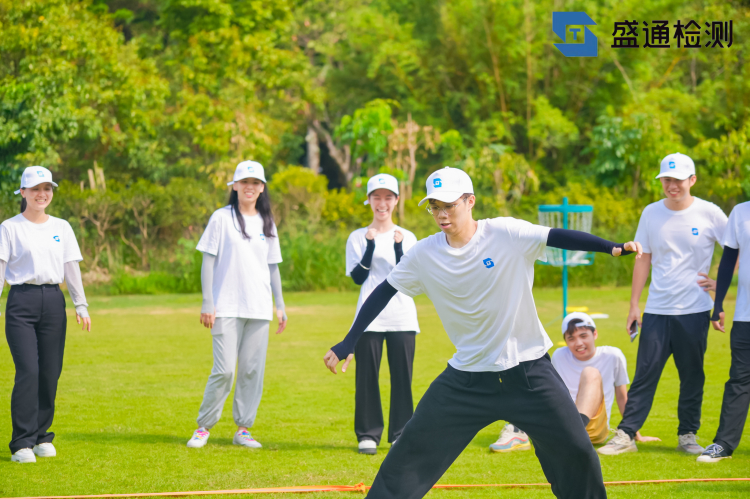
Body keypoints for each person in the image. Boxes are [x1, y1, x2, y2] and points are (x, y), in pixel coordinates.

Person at [324, 166, 642, 499]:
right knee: (407, 454)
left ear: (470, 201)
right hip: (467, 379)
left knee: (576, 451)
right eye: (434, 206)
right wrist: (349, 341)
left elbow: (556, 236)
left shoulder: (505, 233)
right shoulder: (424, 254)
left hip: (529, 373)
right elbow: (384, 290)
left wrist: (611, 247)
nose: (442, 214)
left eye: (449, 205)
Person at [599, 153, 728, 456]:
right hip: (657, 310)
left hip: (695, 310)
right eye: (667, 180)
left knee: (692, 375)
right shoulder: (651, 213)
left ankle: (688, 435)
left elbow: (737, 248)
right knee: (645, 373)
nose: (672, 186)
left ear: (692, 180)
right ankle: (626, 435)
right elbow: (643, 258)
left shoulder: (710, 213)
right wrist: (634, 304)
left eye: (678, 180)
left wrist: (720, 282)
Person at [186, 161, 287, 449]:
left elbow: (272, 266)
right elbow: (208, 260)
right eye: (244, 182)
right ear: (235, 186)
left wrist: (280, 304)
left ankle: (243, 429)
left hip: (259, 308)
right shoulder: (221, 218)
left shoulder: (267, 222)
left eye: (255, 183)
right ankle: (203, 427)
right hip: (226, 306)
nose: (249, 187)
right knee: (225, 370)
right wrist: (208, 302)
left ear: (262, 188)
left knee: (252, 371)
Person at [0, 166, 92, 464]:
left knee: (50, 372)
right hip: (21, 303)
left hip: (53, 302)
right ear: (23, 192)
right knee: (28, 370)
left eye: (47, 188)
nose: (42, 194)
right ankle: (22, 443)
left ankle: (42, 437)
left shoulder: (62, 227)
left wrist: (80, 305)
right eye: (36, 189)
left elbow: (71, 267)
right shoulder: (9, 228)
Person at [490, 313, 660, 453]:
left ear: (595, 334)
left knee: (590, 372)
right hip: (562, 425)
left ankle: (571, 431)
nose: (578, 343)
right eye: (571, 338)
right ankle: (519, 432)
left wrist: (633, 432)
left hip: (593, 428)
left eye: (583, 336)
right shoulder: (560, 355)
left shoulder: (612, 356)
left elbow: (622, 397)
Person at [345, 174, 419, 455]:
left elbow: (408, 277)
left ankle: (400, 433)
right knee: (366, 378)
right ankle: (368, 434)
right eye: (376, 197)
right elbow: (357, 278)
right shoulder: (357, 237)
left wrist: (398, 247)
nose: (382, 203)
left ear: (396, 200)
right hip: (368, 319)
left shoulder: (408, 237)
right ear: (369, 200)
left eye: (388, 197)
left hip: (402, 316)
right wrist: (370, 246)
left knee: (402, 378)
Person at [697, 200, 750, 463]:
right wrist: (718, 304)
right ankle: (724, 444)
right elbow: (729, 260)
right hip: (745, 316)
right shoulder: (740, 212)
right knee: (739, 380)